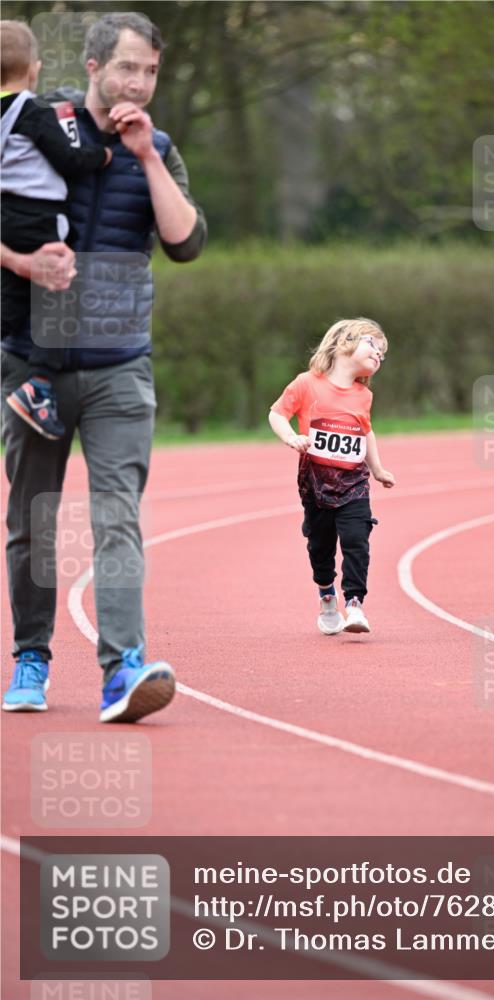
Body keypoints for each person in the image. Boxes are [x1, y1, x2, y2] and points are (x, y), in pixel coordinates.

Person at [1, 13, 207, 720]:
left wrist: (148, 157)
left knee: (118, 517)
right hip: (34, 363)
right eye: (127, 69)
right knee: (33, 520)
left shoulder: (161, 147)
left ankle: (123, 669)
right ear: (91, 67)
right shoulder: (33, 126)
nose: (139, 84)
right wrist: (22, 261)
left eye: (149, 71)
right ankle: (31, 656)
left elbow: (184, 243)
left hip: (122, 367)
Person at [1, 20, 113, 440]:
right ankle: (39, 385)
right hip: (38, 218)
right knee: (62, 293)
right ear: (33, 69)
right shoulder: (31, 110)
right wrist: (99, 155)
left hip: (5, 217)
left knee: (12, 295)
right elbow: (67, 157)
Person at [269, 318, 395, 635]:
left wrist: (377, 469)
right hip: (316, 485)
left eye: (382, 353)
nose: (378, 354)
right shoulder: (306, 383)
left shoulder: (363, 396)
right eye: (372, 344)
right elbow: (277, 413)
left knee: (357, 541)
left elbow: (366, 432)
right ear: (343, 343)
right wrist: (290, 438)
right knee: (320, 547)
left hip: (354, 484)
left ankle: (354, 604)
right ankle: (327, 594)